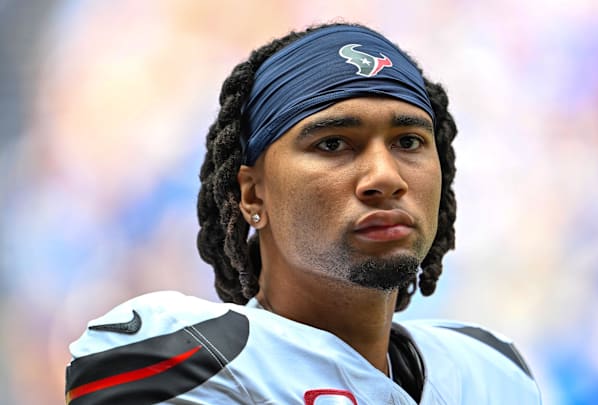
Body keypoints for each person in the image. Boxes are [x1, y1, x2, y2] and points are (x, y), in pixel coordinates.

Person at [65, 22, 541, 404]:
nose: (385, 176)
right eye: (334, 143)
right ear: (252, 196)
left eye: (409, 141)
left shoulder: (492, 369)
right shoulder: (185, 360)